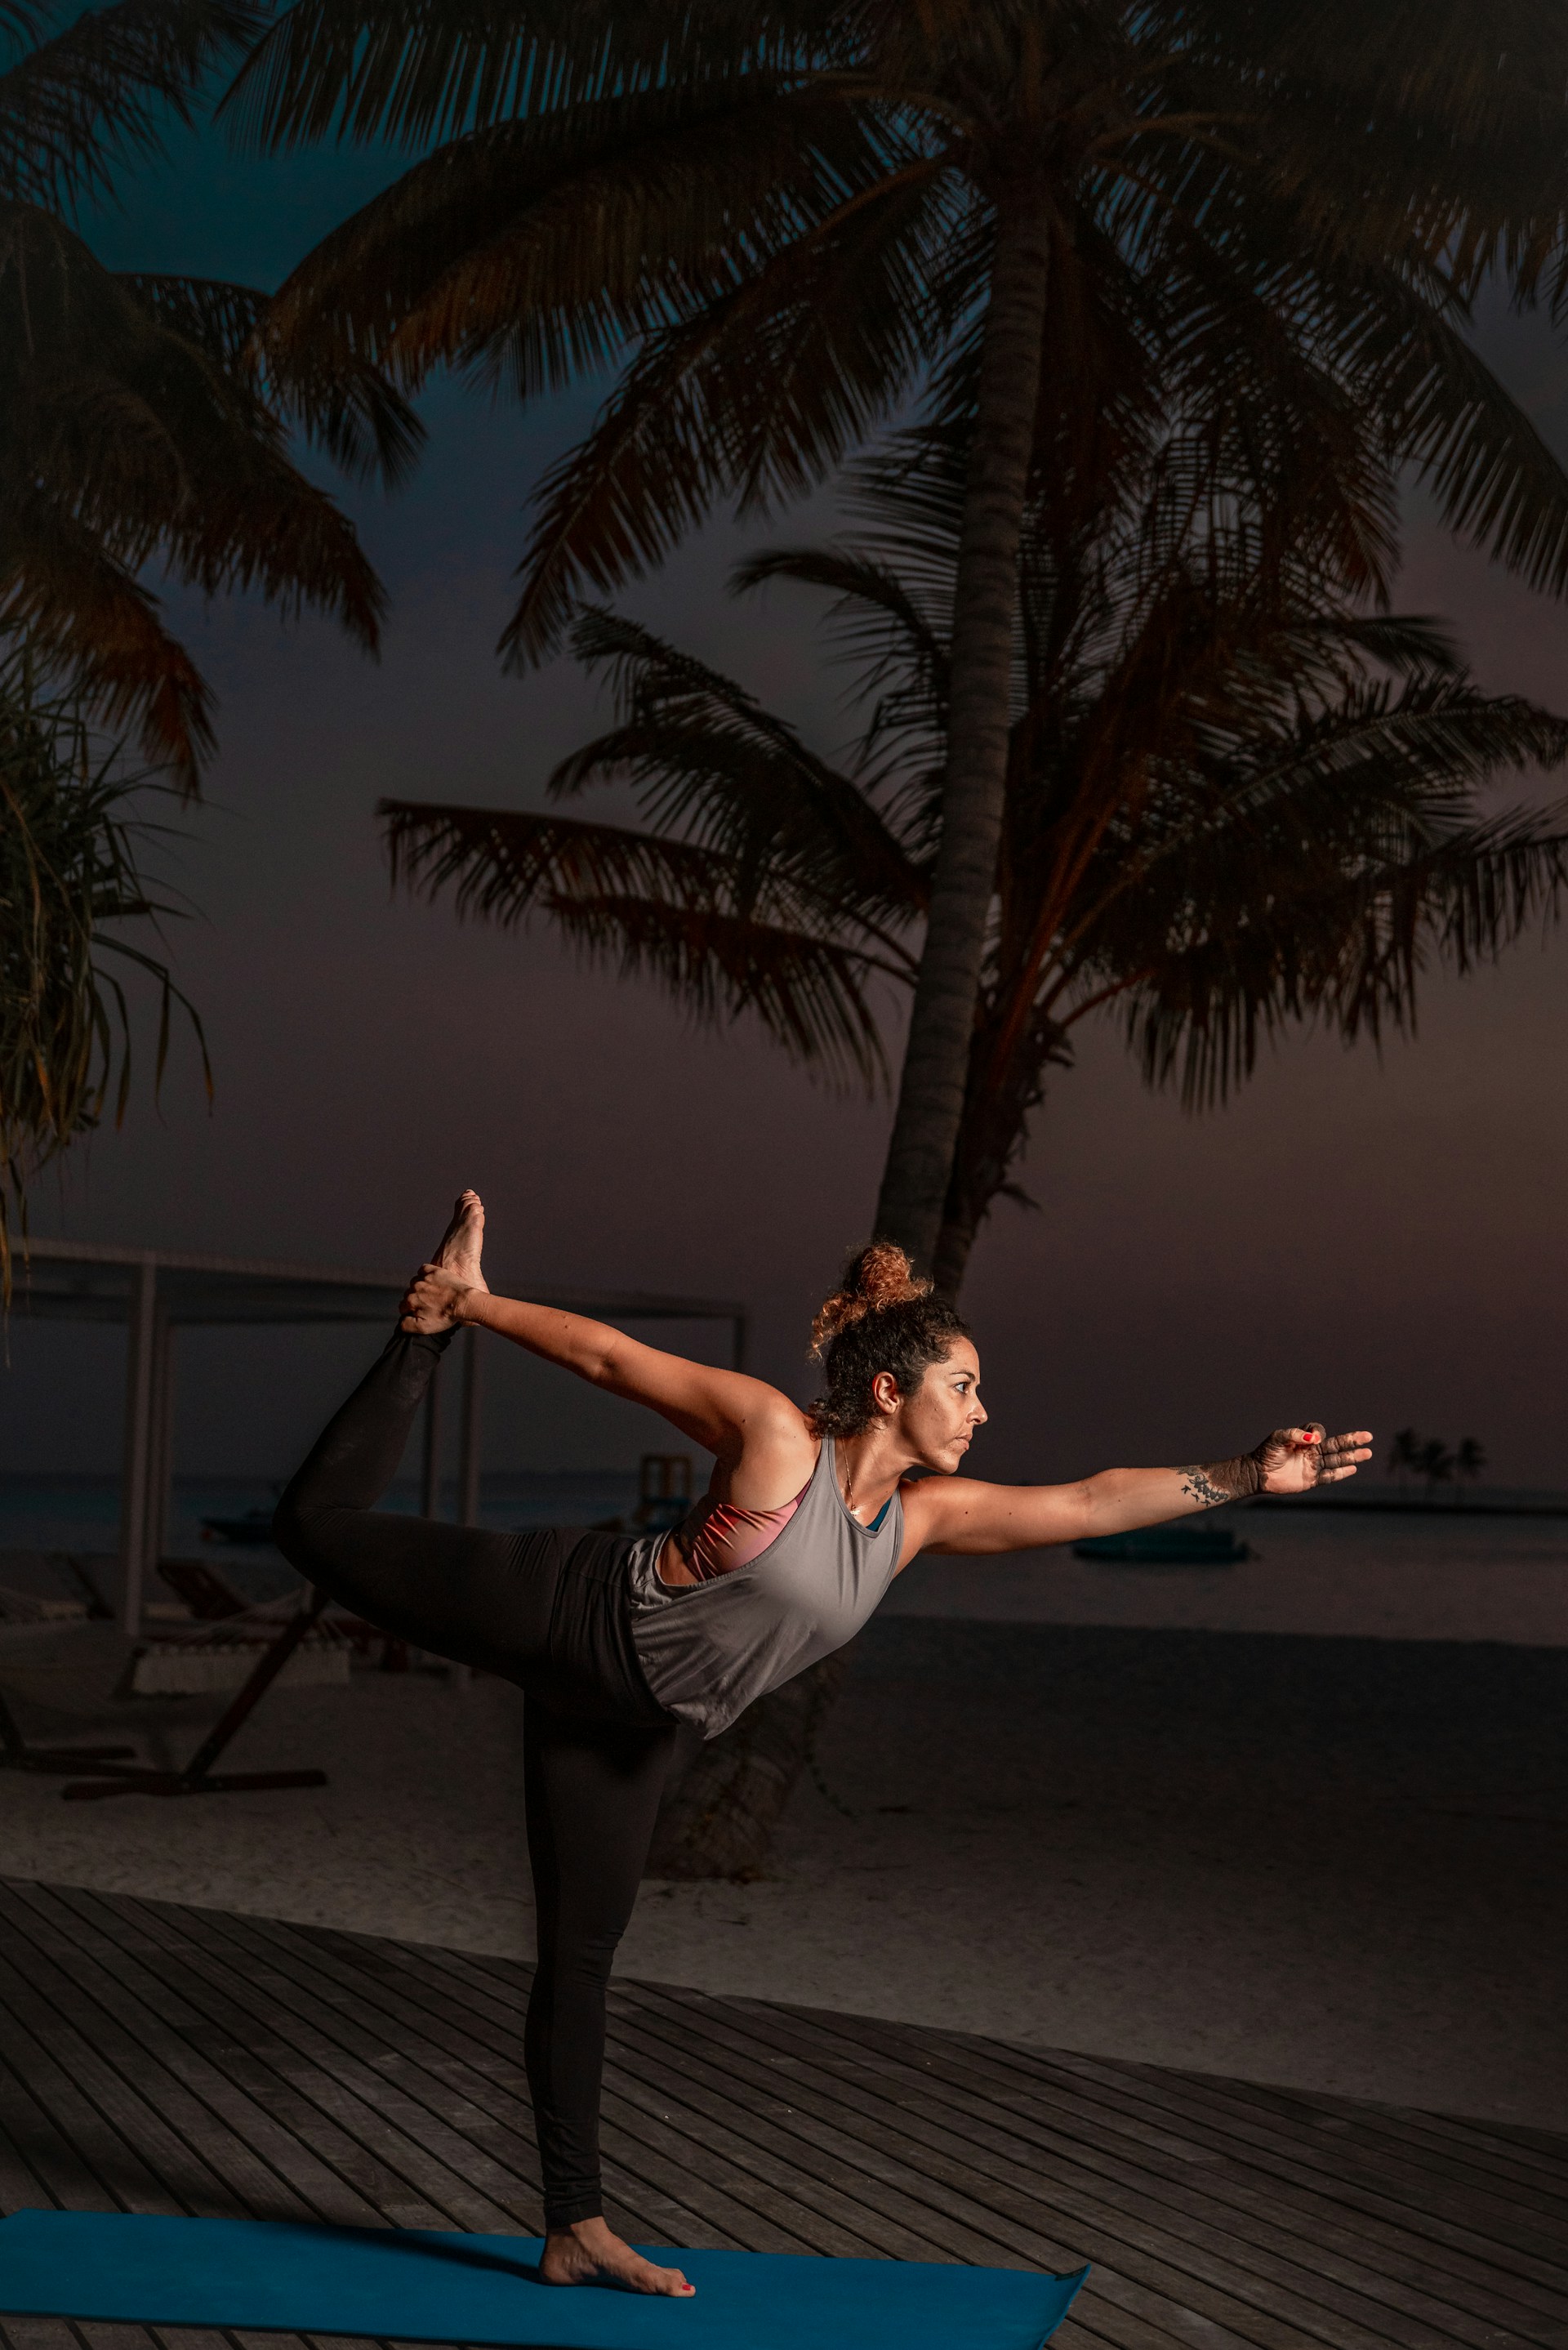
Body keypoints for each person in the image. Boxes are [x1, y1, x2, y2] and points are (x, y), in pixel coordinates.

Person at [274, 1190, 1370, 2298]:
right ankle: (418, 1335)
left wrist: (1243, 1474)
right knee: (314, 1530)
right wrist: (471, 1305)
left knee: (580, 1961)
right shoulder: (775, 1439)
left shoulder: (918, 1523)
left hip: (631, 1726)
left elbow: (1086, 1502)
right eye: (964, 1385)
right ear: (890, 1390)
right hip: (573, 1611)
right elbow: (610, 1359)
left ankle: (573, 2228)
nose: (982, 1410)